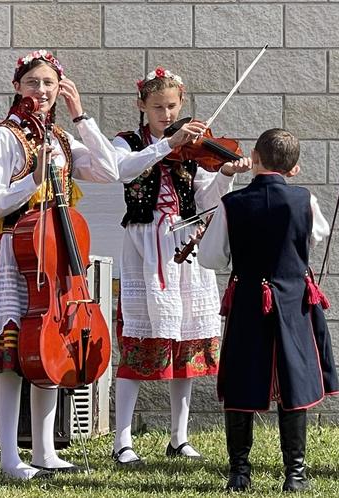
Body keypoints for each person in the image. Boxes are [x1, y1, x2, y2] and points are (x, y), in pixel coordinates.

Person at [0, 49, 127, 480]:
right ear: (18, 86)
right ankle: (8, 458)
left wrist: (81, 116)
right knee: (11, 359)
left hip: (54, 259)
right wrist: (31, 182)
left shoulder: (60, 137)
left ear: (61, 90)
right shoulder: (5, 136)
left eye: (49, 84)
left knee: (47, 354)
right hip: (14, 254)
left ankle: (44, 451)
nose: (41, 91)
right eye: (33, 82)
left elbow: (110, 171)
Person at [110, 66, 252, 465]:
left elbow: (205, 198)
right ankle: (122, 441)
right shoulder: (128, 143)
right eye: (158, 107)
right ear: (142, 106)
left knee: (185, 339)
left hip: (185, 243)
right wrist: (166, 144)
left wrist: (224, 172)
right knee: (138, 342)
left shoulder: (194, 145)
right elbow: (121, 170)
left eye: (172, 106)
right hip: (144, 244)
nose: (167, 114)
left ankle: (179, 436)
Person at [199, 128, 339, 492]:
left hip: (249, 298)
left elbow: (212, 257)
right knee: (293, 378)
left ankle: (239, 473)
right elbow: (317, 233)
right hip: (294, 300)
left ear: (255, 159)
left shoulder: (232, 205)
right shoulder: (304, 200)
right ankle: (295, 473)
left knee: (242, 376)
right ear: (293, 167)